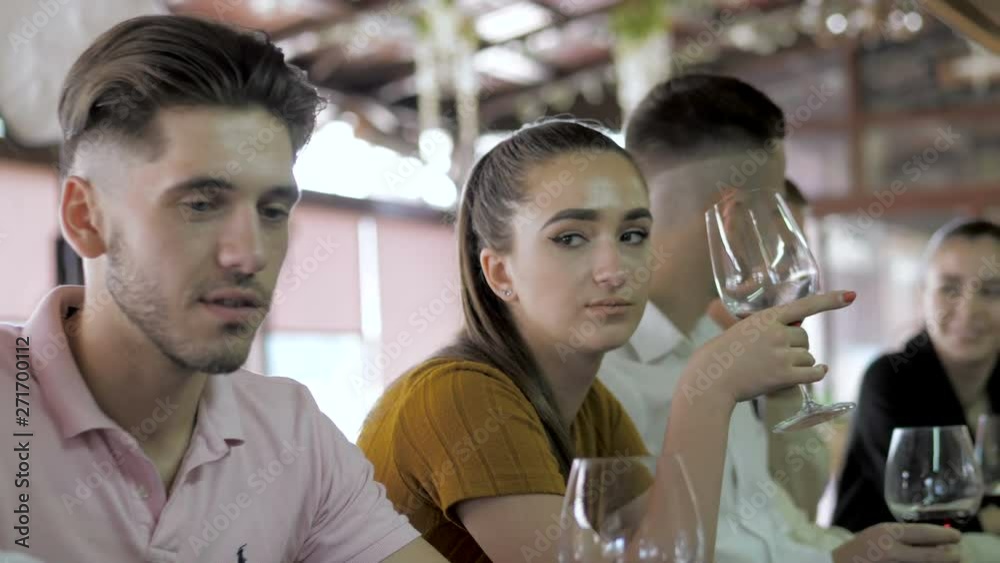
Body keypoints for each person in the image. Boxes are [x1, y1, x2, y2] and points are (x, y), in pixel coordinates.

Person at [0, 15, 447, 562]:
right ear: (85, 218)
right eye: (201, 204)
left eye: (272, 211)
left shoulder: (291, 434)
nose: (250, 254)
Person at [358, 119, 855, 563]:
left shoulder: (592, 406)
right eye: (571, 237)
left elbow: (662, 553)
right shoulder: (462, 396)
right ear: (500, 272)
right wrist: (708, 391)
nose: (615, 270)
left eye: (632, 235)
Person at [598, 74, 963, 563]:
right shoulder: (603, 376)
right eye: (777, 210)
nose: (789, 235)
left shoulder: (711, 341)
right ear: (735, 218)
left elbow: (778, 527)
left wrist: (858, 551)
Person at [834, 218, 1000, 540]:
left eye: (992, 291)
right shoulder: (890, 380)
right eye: (950, 289)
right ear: (922, 294)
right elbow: (931, 515)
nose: (969, 310)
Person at [706, 177, 831, 522]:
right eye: (775, 250)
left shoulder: (778, 353)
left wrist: (784, 391)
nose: (787, 274)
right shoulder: (689, 360)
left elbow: (803, 505)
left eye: (797, 252)